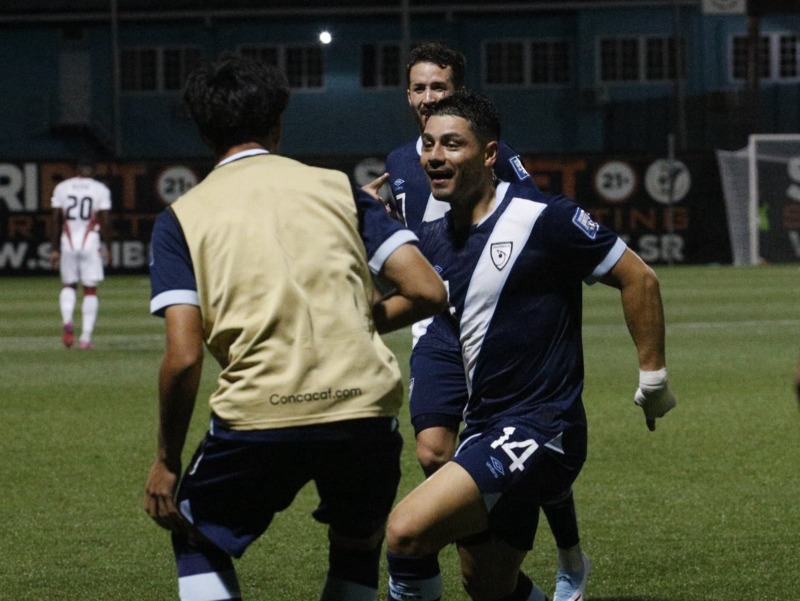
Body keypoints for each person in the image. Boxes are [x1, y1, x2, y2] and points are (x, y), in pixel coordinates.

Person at [142, 53, 448, 601]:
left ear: (203, 132)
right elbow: (427, 289)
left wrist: (165, 460)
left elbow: (184, 357)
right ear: (277, 123)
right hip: (363, 408)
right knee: (357, 544)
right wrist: (358, 323)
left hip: (260, 413)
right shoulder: (340, 189)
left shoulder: (181, 218)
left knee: (195, 536)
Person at [382, 92, 676, 601]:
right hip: (485, 426)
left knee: (406, 532)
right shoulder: (433, 235)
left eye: (452, 144)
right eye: (429, 144)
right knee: (488, 586)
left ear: (489, 154)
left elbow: (639, 278)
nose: (435, 156)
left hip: (545, 427)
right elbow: (411, 306)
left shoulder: (544, 217)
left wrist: (653, 380)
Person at [377, 42, 590, 601]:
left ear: (459, 93)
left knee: (528, 433)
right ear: (407, 96)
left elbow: (525, 221)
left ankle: (565, 547)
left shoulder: (495, 158)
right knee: (432, 452)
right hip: (437, 324)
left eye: (439, 88)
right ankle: (466, 532)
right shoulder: (404, 160)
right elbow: (409, 223)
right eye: (419, 88)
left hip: (492, 317)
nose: (428, 98)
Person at [49, 160, 111, 350]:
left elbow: (55, 220)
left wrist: (54, 249)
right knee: (90, 290)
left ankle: (68, 321)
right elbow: (105, 220)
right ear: (92, 171)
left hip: (68, 242)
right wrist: (108, 246)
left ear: (76, 171)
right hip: (90, 242)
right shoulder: (100, 189)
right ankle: (85, 338)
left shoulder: (62, 188)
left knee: (69, 285)